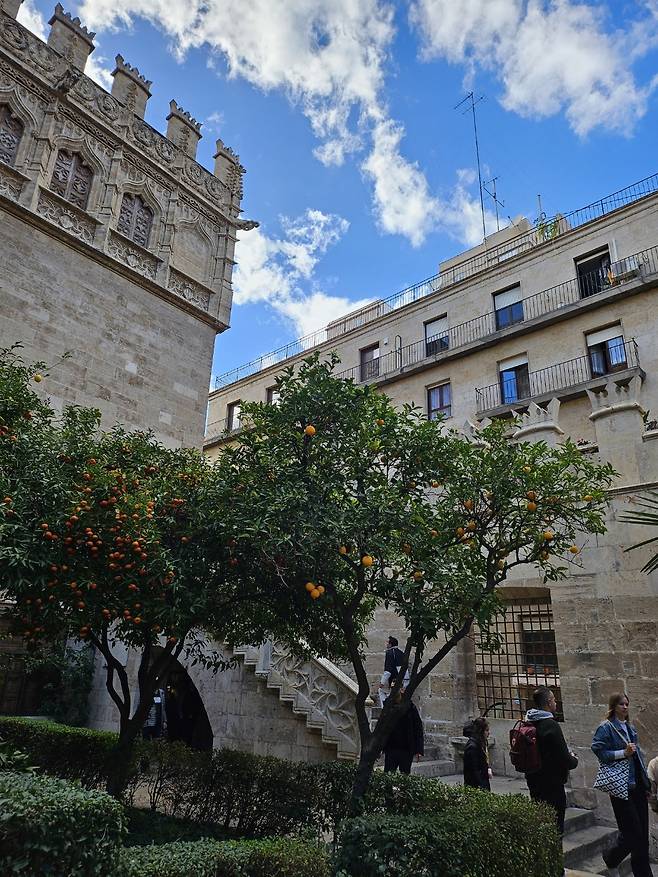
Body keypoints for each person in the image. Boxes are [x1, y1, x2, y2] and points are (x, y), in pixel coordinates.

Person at [591, 693, 652, 877]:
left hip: (637, 785)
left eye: (627, 704)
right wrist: (622, 753)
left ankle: (641, 873)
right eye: (621, 704)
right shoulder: (606, 727)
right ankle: (612, 857)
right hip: (620, 786)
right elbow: (598, 750)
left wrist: (646, 784)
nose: (625, 707)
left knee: (642, 835)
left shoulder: (630, 727)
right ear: (614, 706)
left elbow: (638, 758)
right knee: (633, 833)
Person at [524, 686, 578, 836]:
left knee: (541, 822)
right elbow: (563, 757)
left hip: (533, 779)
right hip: (551, 782)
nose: (555, 702)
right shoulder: (550, 725)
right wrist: (574, 760)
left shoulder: (528, 721)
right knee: (555, 825)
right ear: (548, 702)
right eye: (554, 699)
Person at [383, 689, 424, 774]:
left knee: (405, 774)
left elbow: (418, 728)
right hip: (391, 748)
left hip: (406, 748)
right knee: (388, 774)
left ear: (401, 690)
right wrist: (380, 747)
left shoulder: (410, 706)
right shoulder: (388, 705)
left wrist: (419, 749)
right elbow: (382, 728)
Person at [463, 717, 492, 790]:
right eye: (486, 730)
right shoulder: (472, 747)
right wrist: (482, 787)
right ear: (481, 731)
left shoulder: (481, 743)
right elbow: (473, 771)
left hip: (482, 782)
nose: (489, 733)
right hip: (476, 786)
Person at [378, 635, 406, 707]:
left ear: (390, 644)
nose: (386, 644)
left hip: (393, 680)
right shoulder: (401, 653)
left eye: (387, 642)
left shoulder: (389, 653)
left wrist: (382, 682)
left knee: (381, 690)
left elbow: (388, 670)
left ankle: (385, 708)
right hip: (401, 680)